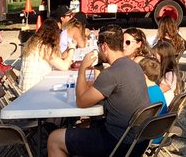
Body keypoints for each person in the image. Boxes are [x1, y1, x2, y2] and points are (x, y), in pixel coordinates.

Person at [47, 27, 153, 157]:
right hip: (139, 141)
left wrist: (83, 68)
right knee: (85, 126)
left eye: (98, 45)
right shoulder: (135, 66)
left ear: (104, 47)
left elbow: (81, 102)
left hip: (118, 143)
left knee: (54, 139)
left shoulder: (111, 73)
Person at [18, 19, 73, 93]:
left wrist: (67, 51)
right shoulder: (44, 47)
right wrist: (72, 49)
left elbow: (58, 58)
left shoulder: (33, 42)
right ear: (54, 34)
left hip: (25, 89)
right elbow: (64, 67)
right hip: (34, 90)